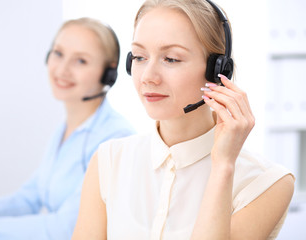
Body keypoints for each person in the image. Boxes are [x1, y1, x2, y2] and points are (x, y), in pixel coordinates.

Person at [71, 0, 295, 239]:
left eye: (171, 59)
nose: (148, 77)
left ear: (217, 70)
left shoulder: (266, 183)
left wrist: (222, 168)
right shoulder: (109, 160)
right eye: (139, 57)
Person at [0, 17, 135, 240]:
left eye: (81, 61)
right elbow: (30, 198)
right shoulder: (63, 131)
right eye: (58, 53)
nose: (62, 69)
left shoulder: (115, 139)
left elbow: (67, 228)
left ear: (108, 74)